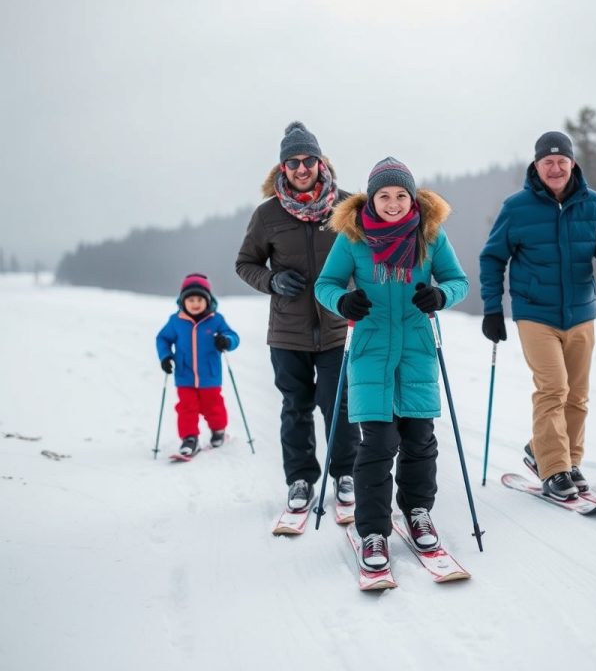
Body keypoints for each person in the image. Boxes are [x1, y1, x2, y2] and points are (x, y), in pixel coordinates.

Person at [314, 157, 469, 571]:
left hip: (417, 350)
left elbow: (458, 281)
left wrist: (441, 297)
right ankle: (374, 533)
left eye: (402, 194)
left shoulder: (430, 235)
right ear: (371, 197)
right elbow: (325, 284)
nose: (394, 203)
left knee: (420, 439)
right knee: (378, 445)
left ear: (412, 197)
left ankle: (418, 512)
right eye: (385, 195)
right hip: (370, 353)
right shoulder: (353, 237)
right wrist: (342, 301)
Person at [479, 131, 596, 501]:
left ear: (573, 163)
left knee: (577, 395)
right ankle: (553, 468)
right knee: (554, 388)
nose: (555, 167)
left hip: (581, 311)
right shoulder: (517, 207)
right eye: (547, 161)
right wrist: (492, 308)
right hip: (535, 312)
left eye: (562, 160)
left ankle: (564, 458)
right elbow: (492, 257)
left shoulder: (595, 205)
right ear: (536, 166)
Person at [235, 121, 360, 512]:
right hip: (288, 332)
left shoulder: (348, 206)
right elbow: (245, 263)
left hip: (337, 328)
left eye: (308, 160)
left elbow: (372, 256)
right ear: (282, 168)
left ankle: (345, 473)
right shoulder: (267, 215)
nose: (302, 168)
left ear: (321, 163)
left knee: (337, 403)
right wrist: (272, 280)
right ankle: (301, 479)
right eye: (293, 162)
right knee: (296, 406)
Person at [156, 273, 241, 456]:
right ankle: (189, 438)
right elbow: (162, 338)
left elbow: (234, 336)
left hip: (209, 376)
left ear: (208, 300)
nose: (195, 303)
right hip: (184, 375)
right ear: (182, 301)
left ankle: (218, 430)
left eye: (200, 299)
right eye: (191, 299)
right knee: (186, 408)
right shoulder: (176, 321)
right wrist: (165, 356)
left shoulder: (216, 319)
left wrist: (226, 341)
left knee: (213, 406)